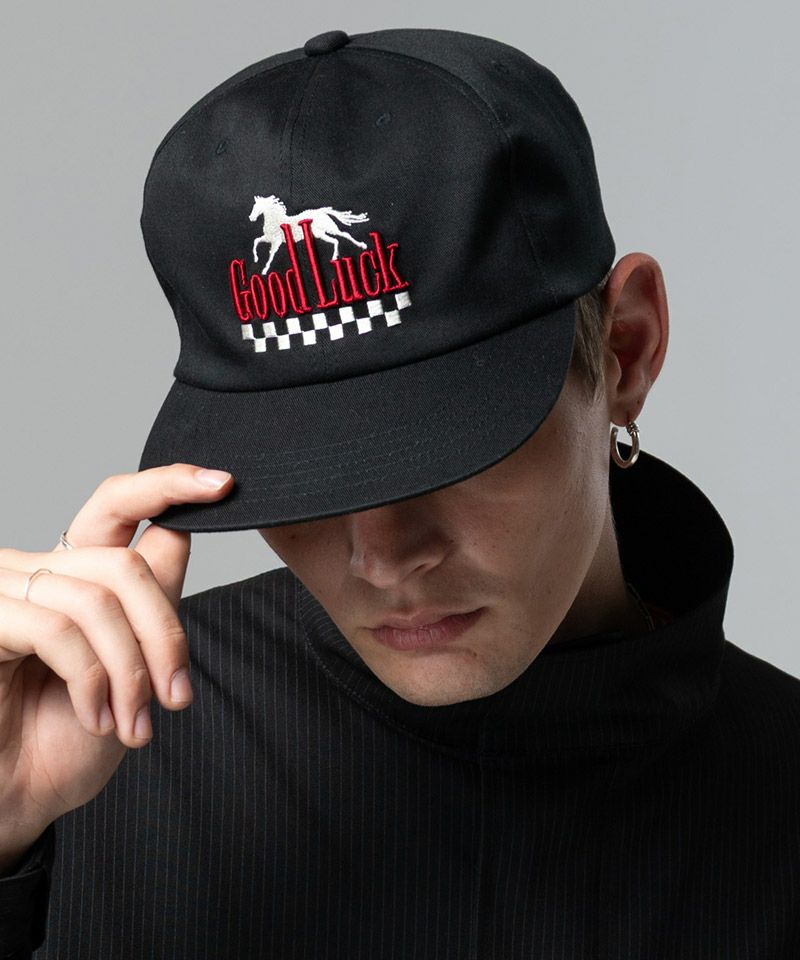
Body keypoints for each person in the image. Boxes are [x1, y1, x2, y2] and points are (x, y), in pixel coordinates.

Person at [1, 25, 798, 960]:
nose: (382, 557)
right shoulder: (92, 748)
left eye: (447, 455)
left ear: (626, 348)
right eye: (304, 472)